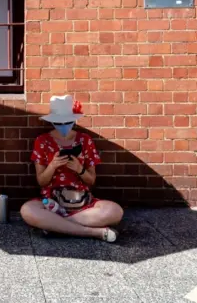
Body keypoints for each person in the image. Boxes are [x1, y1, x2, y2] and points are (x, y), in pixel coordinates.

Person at [20, 95, 123, 242]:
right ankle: (93, 233)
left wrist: (79, 169)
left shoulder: (84, 140)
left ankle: (55, 226)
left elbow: (91, 180)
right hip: (52, 202)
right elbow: (41, 181)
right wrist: (52, 166)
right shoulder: (42, 141)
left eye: (67, 122)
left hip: (81, 201)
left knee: (115, 211)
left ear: (74, 120)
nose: (63, 126)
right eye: (59, 123)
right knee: (27, 210)